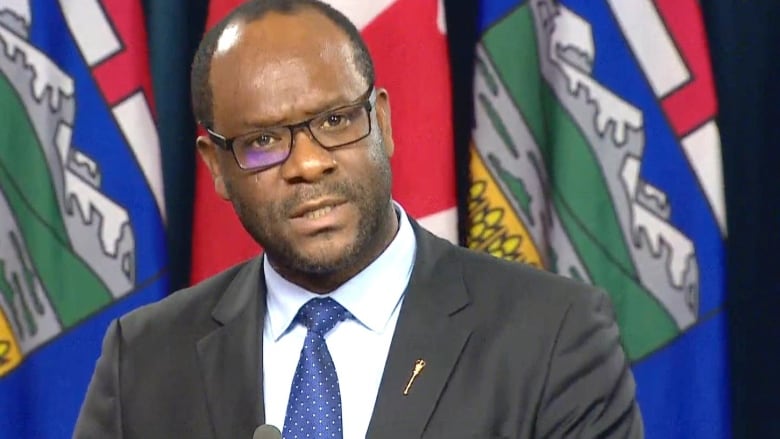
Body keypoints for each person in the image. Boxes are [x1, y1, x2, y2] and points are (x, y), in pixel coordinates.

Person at [74, 1, 643, 438]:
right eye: (264, 140)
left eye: (337, 119)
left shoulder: (553, 335)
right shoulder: (144, 359)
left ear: (383, 121)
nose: (308, 163)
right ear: (217, 168)